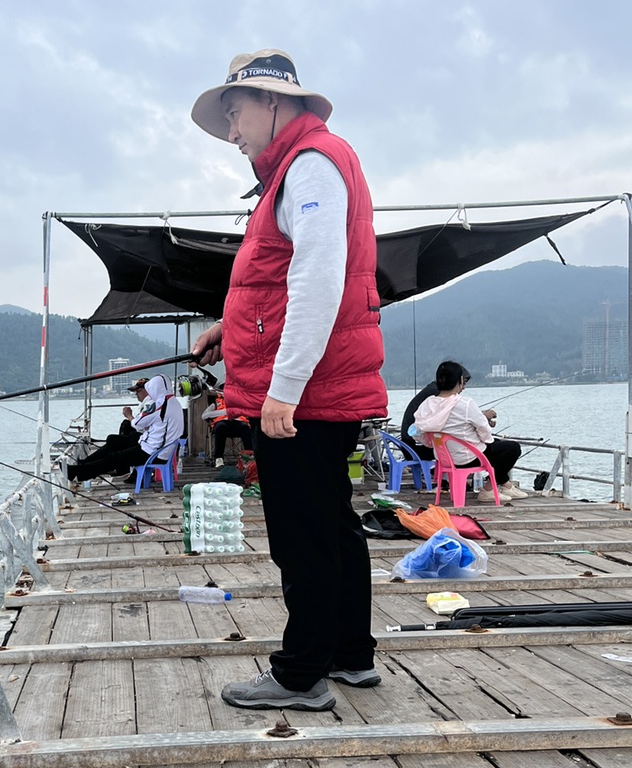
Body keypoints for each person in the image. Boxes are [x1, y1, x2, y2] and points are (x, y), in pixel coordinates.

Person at [190, 49, 387, 711]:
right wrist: (229, 327)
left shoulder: (309, 165)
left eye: (235, 114)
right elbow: (280, 282)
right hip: (323, 388)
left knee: (303, 535)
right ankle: (350, 654)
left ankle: (301, 675)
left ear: (272, 101)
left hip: (305, 394)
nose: (231, 133)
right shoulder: (308, 165)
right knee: (332, 524)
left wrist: (285, 388)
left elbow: (318, 279)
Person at [411, 360, 525, 500]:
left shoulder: (428, 404)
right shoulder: (465, 403)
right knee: (513, 448)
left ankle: (506, 485)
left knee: (498, 445)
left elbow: (418, 431)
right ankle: (488, 490)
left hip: (443, 458)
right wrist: (487, 440)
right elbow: (484, 430)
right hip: (469, 458)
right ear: (460, 380)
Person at [67, 374, 184, 483]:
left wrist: (129, 415)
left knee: (114, 458)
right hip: (163, 451)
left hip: (153, 452)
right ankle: (80, 470)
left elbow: (137, 423)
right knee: (117, 447)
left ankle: (77, 473)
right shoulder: (174, 403)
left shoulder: (160, 405)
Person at [202, 392, 252, 465]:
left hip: (238, 422)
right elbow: (204, 416)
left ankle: (250, 457)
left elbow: (249, 412)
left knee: (245, 427)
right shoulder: (216, 403)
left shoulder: (240, 401)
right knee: (220, 427)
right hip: (222, 422)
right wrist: (225, 412)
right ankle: (219, 458)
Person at [400, 377, 438, 459]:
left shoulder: (431, 390)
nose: (463, 388)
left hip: (407, 445)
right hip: (413, 448)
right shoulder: (437, 395)